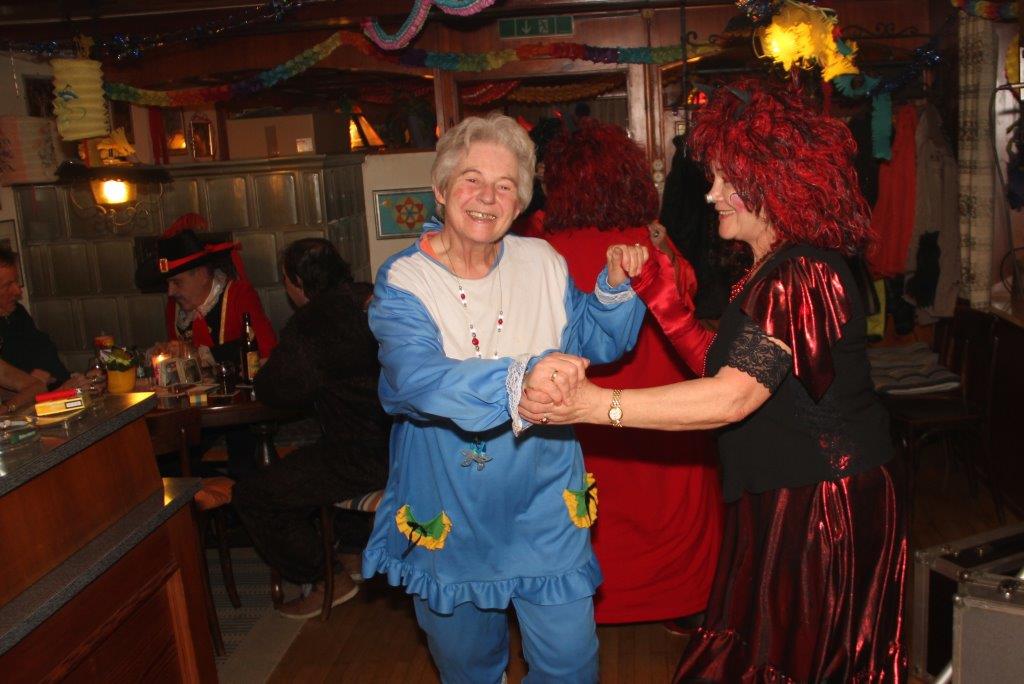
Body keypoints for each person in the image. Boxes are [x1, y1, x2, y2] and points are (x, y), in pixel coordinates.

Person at [520, 80, 907, 683]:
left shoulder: (801, 272)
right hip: (788, 490)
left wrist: (594, 405)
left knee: (798, 660)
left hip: (823, 501)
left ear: (774, 183)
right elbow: (722, 365)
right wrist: (659, 294)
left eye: (728, 181)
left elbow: (731, 396)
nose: (711, 193)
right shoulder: (777, 266)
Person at [362, 112, 649, 683]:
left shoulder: (541, 261)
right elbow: (417, 378)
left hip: (546, 495)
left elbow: (588, 340)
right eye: (471, 179)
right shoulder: (404, 282)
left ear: (520, 204)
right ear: (441, 188)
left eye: (505, 185)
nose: (487, 197)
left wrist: (614, 290)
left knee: (570, 661)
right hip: (451, 503)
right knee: (468, 665)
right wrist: (522, 377)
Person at [521, 120, 722, 626]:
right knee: (669, 509)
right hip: (664, 407)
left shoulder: (541, 252)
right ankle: (683, 604)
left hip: (586, 414)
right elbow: (688, 296)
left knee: (594, 511)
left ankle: (587, 606)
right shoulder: (651, 243)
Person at [232, 238, 389, 619]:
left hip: (364, 455)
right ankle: (353, 552)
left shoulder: (314, 323)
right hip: (410, 444)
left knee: (254, 494)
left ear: (298, 282)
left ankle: (325, 578)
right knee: (322, 452)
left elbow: (276, 389)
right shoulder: (376, 296)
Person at [135, 213, 277, 480]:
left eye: (177, 282)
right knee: (166, 459)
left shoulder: (239, 295)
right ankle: (210, 493)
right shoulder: (175, 309)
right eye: (168, 284)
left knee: (243, 461)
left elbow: (265, 348)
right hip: (198, 412)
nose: (170, 292)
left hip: (241, 410)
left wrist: (206, 356)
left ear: (201, 275)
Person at [0, 247, 97, 412]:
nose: (18, 290)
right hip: (38, 411)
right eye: (8, 285)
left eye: (17, 282)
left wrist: (80, 379)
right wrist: (59, 391)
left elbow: (41, 379)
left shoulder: (18, 314)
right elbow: (30, 392)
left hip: (59, 399)